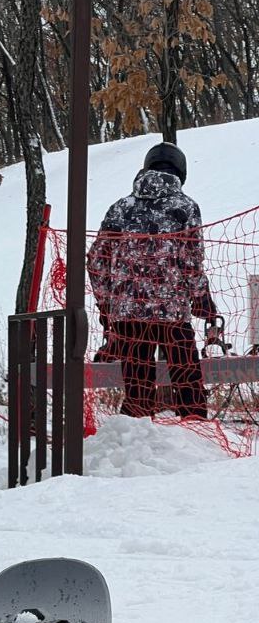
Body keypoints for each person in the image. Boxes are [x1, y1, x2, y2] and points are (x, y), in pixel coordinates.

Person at [87, 141, 219, 420]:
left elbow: (97, 261)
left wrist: (108, 305)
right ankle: (198, 436)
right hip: (172, 315)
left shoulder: (120, 208)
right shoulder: (185, 207)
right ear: (180, 172)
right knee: (187, 381)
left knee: (137, 388)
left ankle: (134, 446)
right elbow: (191, 262)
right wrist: (203, 301)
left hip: (128, 314)